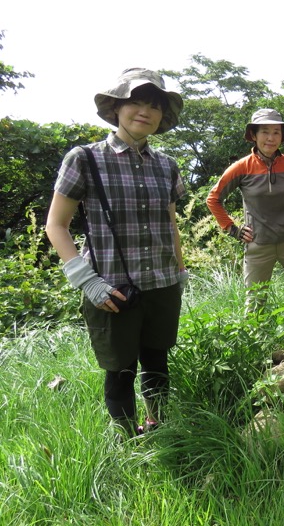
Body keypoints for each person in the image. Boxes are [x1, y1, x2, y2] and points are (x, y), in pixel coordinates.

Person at [45, 68, 188, 438]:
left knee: (157, 360)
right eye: (136, 102)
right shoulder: (85, 159)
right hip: (110, 289)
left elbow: (170, 224)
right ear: (118, 107)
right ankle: (127, 436)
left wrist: (181, 272)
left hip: (162, 281)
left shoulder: (167, 166)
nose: (145, 111)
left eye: (154, 105)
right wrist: (86, 282)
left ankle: (157, 425)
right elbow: (55, 225)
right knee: (119, 368)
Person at [206, 108, 284, 311]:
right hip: (258, 244)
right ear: (254, 135)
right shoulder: (242, 167)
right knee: (255, 303)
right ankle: (257, 341)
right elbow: (213, 199)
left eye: (276, 132)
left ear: (282, 136)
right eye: (265, 132)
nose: (271, 138)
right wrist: (233, 229)